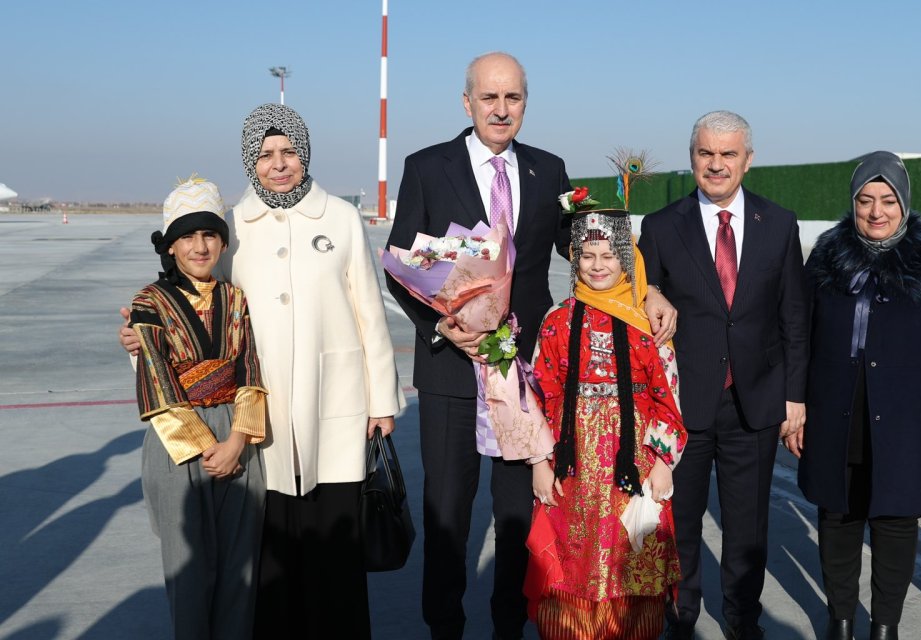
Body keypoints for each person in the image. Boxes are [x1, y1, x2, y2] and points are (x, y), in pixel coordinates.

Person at [385, 51, 676, 640]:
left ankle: (507, 627)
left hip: (532, 374)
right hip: (453, 369)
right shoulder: (426, 167)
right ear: (466, 102)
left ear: (525, 104)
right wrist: (441, 327)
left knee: (519, 513)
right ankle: (444, 627)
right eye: (489, 97)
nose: (501, 108)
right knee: (448, 514)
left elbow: (593, 245)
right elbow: (400, 264)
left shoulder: (549, 169)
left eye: (512, 97)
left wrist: (649, 289)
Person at [122, 104, 405, 638]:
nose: (279, 164)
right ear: (251, 163)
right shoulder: (233, 226)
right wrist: (137, 341)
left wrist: (382, 403)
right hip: (259, 417)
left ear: (305, 154)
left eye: (289, 152)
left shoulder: (340, 219)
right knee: (268, 559)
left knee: (334, 556)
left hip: (335, 408)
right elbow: (199, 307)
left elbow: (370, 314)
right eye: (266, 155)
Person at [637, 110, 808, 640]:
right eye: (705, 153)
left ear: (747, 160)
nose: (716, 165)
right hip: (682, 404)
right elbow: (633, 296)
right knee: (679, 522)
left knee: (746, 528)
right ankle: (681, 617)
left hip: (754, 404)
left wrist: (795, 399)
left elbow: (795, 319)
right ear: (692, 158)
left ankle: (742, 620)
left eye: (727, 154)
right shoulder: (662, 226)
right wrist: (649, 291)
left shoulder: (778, 224)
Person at [798, 151, 921, 640]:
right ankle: (842, 618)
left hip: (904, 418)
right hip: (836, 412)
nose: (877, 212)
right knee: (838, 516)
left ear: (905, 202)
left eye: (888, 200)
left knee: (895, 521)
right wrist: (798, 410)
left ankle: (886, 624)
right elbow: (802, 337)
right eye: (866, 200)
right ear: (852, 203)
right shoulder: (827, 255)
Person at [524, 209, 686, 639]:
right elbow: (540, 396)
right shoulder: (557, 320)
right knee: (570, 562)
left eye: (609, 255)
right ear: (574, 258)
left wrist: (663, 461)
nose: (598, 265)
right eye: (588, 255)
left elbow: (666, 395)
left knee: (629, 558)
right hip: (570, 469)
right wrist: (540, 460)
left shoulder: (647, 321)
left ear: (628, 258)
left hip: (631, 466)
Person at [129, 177, 267, 639]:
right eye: (187, 236)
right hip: (177, 442)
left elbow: (249, 370)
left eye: (209, 234)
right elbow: (156, 379)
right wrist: (208, 444)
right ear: (170, 247)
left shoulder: (235, 298)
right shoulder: (150, 301)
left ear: (223, 242)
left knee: (240, 568)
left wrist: (237, 442)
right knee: (189, 572)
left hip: (236, 434)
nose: (200, 246)